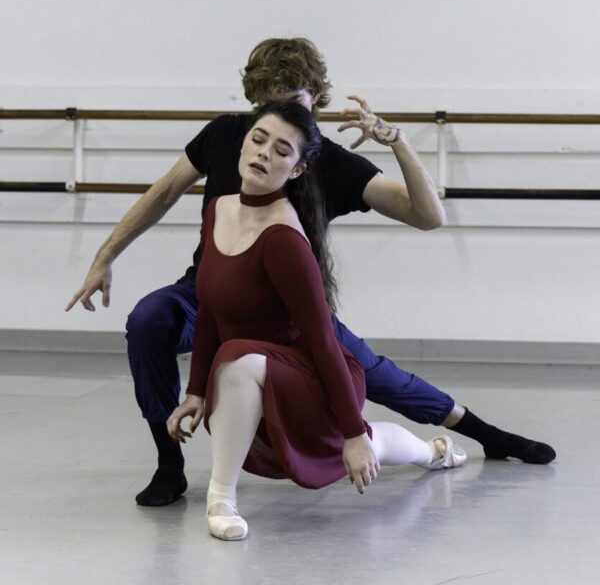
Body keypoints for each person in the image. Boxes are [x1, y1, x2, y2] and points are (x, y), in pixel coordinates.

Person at [66, 37, 555, 508]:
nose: (273, 132)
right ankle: (169, 463)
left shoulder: (331, 164)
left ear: (316, 98)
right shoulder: (231, 136)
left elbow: (428, 215)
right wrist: (105, 256)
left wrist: (397, 140)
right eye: (267, 106)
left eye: (293, 102)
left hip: (291, 311)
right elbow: (164, 193)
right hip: (212, 292)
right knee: (149, 319)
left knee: (377, 376)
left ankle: (486, 434)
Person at [166, 101, 467, 541]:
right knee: (239, 362)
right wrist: (195, 391)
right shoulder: (218, 209)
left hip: (310, 378)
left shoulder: (284, 239)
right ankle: (433, 450)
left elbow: (324, 339)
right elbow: (212, 306)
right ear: (243, 144)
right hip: (257, 370)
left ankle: (221, 500)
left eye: (281, 150)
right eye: (259, 139)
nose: (264, 153)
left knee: (357, 437)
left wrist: (352, 432)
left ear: (297, 170)